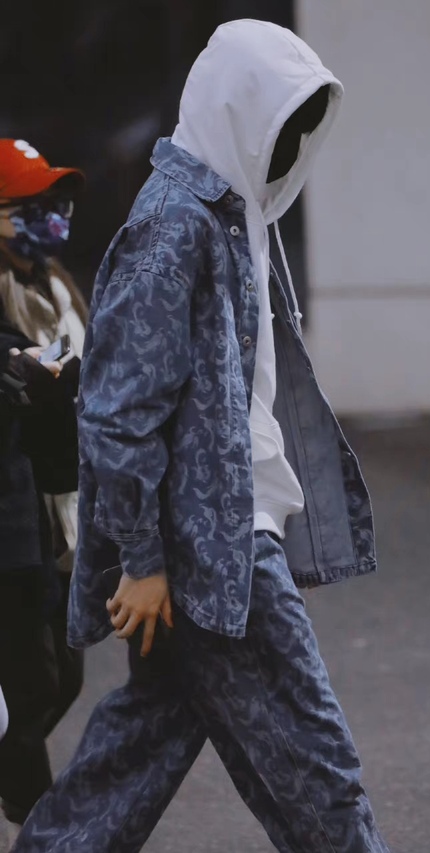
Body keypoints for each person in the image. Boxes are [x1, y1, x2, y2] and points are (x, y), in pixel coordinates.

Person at [13, 20, 390, 853]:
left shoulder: (232, 213)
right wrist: (143, 560)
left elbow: (242, 397)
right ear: (238, 113)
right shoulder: (173, 225)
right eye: (280, 123)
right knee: (317, 763)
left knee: (133, 760)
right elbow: (117, 412)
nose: (290, 147)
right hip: (212, 548)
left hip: (221, 540)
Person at [0, 140, 85, 836]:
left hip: (63, 507)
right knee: (32, 685)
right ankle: (38, 825)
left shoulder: (56, 284)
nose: (49, 215)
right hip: (16, 510)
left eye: (53, 200)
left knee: (65, 673)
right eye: (29, 204)